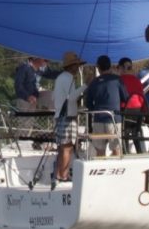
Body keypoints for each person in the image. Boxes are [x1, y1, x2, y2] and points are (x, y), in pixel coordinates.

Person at [83, 56, 128, 155]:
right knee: (116, 149)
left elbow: (88, 103)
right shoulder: (117, 80)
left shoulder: (94, 82)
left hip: (98, 119)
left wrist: (96, 111)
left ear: (98, 67)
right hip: (114, 119)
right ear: (110, 66)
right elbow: (125, 98)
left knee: (100, 151)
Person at [50, 52, 83, 183]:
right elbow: (72, 97)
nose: (78, 67)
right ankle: (63, 176)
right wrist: (85, 86)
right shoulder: (68, 78)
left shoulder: (60, 78)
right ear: (71, 66)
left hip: (60, 116)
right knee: (67, 147)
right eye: (77, 65)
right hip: (67, 117)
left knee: (62, 147)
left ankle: (59, 175)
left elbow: (54, 97)